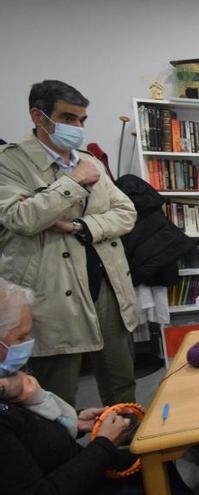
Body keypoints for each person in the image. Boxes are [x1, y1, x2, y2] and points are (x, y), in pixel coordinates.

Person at [0, 80, 139, 407]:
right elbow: (21, 218)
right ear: (39, 117)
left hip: (106, 284)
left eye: (81, 120)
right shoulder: (11, 162)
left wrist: (81, 226)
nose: (76, 127)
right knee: (55, 390)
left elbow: (126, 211)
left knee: (121, 380)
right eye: (68, 118)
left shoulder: (88, 160)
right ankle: (64, 456)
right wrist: (73, 182)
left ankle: (128, 451)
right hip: (53, 293)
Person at [0, 278, 168, 495]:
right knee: (154, 470)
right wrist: (104, 445)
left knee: (160, 459)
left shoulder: (10, 384)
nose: (29, 343)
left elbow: (31, 437)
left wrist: (73, 421)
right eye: (21, 337)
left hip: (71, 464)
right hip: (74, 480)